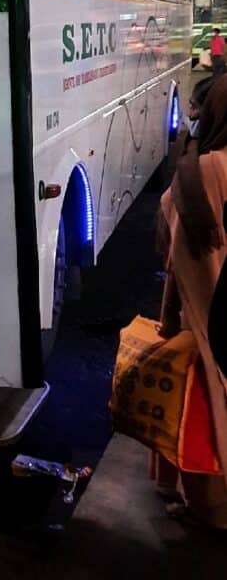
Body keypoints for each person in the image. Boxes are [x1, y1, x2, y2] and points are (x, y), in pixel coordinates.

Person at [152, 74, 227, 527]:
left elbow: (183, 259)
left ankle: (212, 510)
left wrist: (168, 319)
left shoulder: (203, 172)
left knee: (207, 412)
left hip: (213, 315)